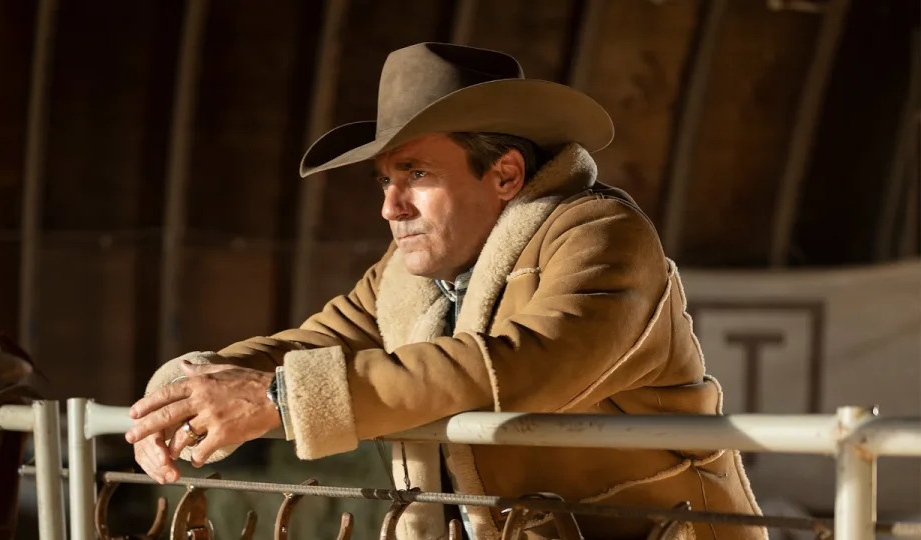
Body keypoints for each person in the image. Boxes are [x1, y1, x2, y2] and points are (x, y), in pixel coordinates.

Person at [126, 42, 765, 540]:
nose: (390, 207)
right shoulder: (403, 274)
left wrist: (280, 400)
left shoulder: (602, 234)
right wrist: (189, 389)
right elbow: (317, 341)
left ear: (506, 174)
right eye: (383, 181)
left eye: (417, 173)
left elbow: (529, 363)